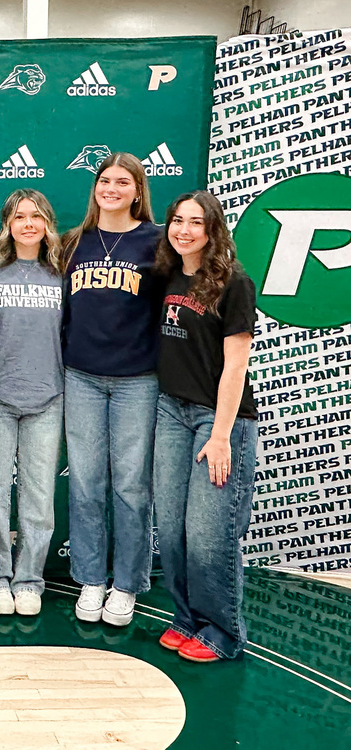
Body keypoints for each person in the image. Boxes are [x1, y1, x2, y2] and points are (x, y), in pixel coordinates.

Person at [152, 191, 257, 662]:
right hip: (171, 411)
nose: (185, 230)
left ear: (213, 230)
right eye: (178, 221)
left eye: (196, 222)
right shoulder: (169, 276)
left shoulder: (233, 283)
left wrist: (220, 435)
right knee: (172, 529)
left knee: (209, 533)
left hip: (218, 420)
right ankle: (187, 619)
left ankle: (222, 632)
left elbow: (236, 367)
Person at [61, 152, 162, 627]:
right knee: (84, 484)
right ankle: (90, 578)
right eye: (106, 180)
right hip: (80, 375)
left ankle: (126, 584)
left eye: (124, 182)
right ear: (95, 188)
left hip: (136, 380)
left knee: (130, 486)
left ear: (138, 190)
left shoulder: (157, 242)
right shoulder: (73, 243)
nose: (113, 189)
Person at [0, 189, 64, 618]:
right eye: (19, 217)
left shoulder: (63, 272)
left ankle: (29, 579)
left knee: (38, 495)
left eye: (36, 216)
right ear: (7, 225)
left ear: (48, 223)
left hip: (48, 397)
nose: (28, 224)